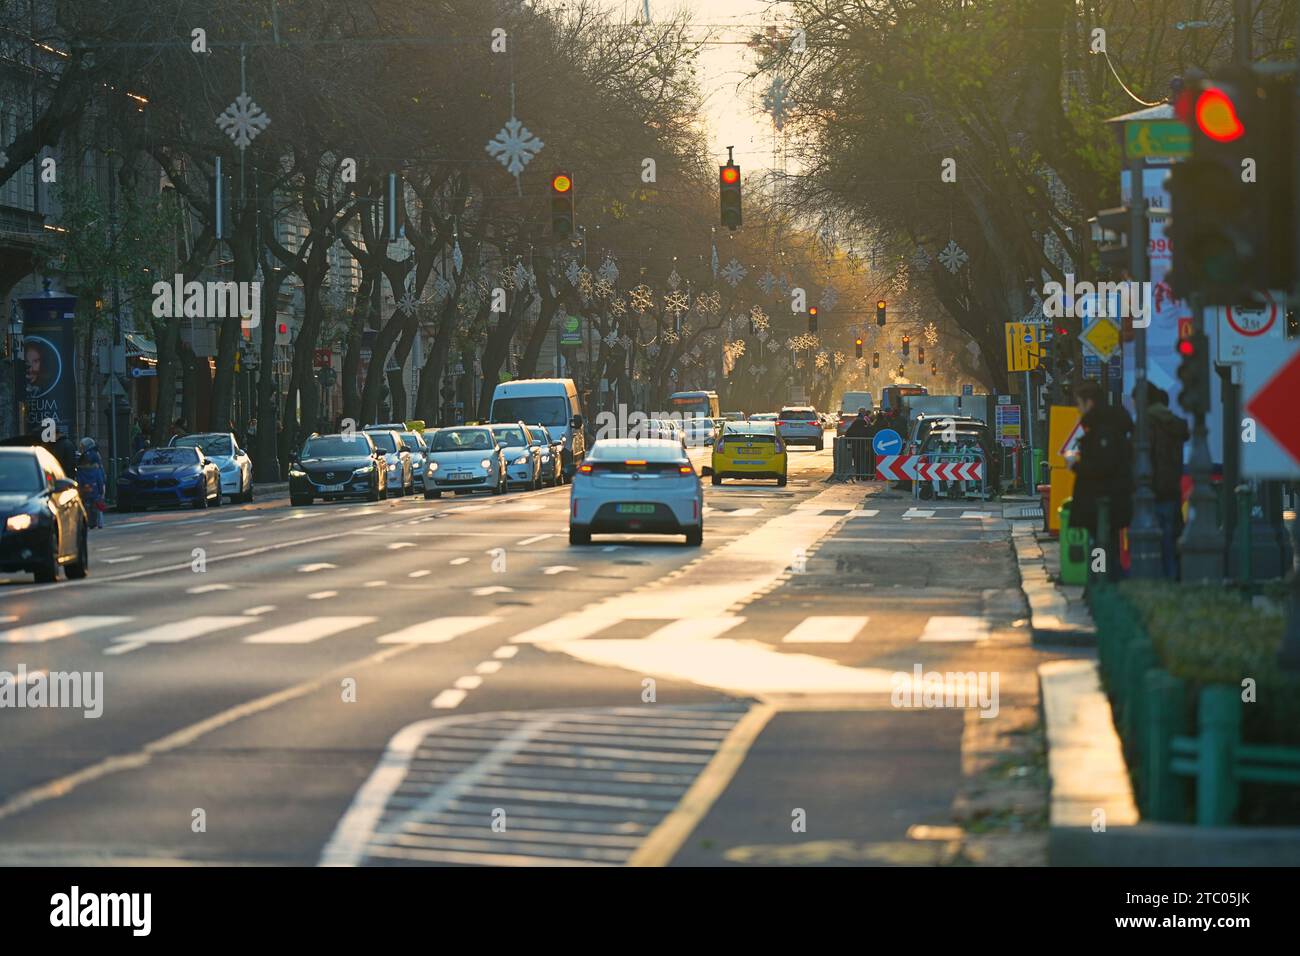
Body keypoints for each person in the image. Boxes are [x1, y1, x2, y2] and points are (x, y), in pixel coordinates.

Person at [1069, 379, 1134, 581]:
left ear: (1089, 403)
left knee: (1101, 546)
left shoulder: (1103, 431)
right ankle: (1103, 583)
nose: (1079, 410)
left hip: (1102, 504)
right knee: (1104, 546)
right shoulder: (1109, 427)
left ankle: (1101, 586)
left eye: (1080, 404)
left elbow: (1103, 466)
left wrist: (1075, 465)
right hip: (1107, 502)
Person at [1139, 382, 1190, 578]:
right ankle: (1173, 579)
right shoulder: (1175, 425)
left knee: (1152, 543)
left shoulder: (1148, 425)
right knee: (1172, 539)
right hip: (1172, 489)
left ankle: (1157, 581)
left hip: (1152, 491)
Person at [76, 437, 107, 529]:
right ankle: (99, 522)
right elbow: (100, 474)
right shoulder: (96, 456)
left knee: (87, 503)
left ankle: (89, 522)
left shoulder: (82, 461)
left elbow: (79, 478)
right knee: (98, 503)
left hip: (86, 485)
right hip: (95, 484)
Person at [843, 407, 871, 479]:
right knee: (863, 461)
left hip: (855, 447)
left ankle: (858, 476)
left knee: (856, 462)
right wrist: (868, 445)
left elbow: (847, 435)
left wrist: (848, 446)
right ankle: (863, 476)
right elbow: (868, 436)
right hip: (863, 447)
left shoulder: (852, 428)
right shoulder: (865, 428)